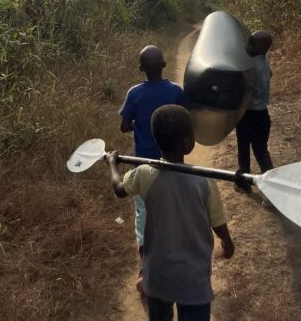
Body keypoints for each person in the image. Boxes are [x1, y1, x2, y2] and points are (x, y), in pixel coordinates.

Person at [106, 104, 234, 321]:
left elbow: (119, 190)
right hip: (193, 278)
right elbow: (217, 221)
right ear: (187, 143)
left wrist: (112, 164)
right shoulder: (203, 181)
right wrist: (228, 242)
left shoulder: (144, 174)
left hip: (157, 274)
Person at [119, 45, 184, 291]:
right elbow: (186, 121)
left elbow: (124, 126)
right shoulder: (176, 92)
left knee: (144, 216)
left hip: (143, 165)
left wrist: (140, 124)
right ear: (164, 65)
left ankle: (145, 270)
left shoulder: (134, 93)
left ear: (140, 69)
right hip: (174, 164)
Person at [235, 30, 274, 193]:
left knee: (245, 150)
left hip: (248, 116)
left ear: (260, 47)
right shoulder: (265, 65)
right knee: (261, 151)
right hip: (262, 115)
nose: (247, 45)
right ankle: (270, 186)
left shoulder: (250, 67)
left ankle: (265, 187)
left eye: (251, 43)